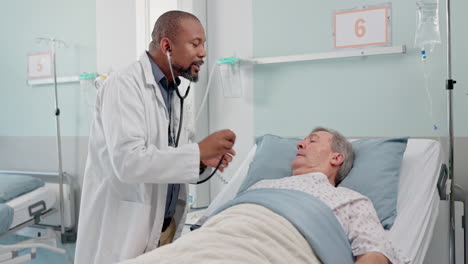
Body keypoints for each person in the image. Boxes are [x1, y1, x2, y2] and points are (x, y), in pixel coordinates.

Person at [75, 10, 236, 264]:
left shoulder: (172, 92)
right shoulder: (124, 85)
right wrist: (197, 152)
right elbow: (128, 162)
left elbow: (164, 156)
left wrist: (201, 162)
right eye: (195, 44)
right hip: (124, 229)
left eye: (203, 44)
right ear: (167, 46)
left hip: (164, 227)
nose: (203, 53)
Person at [119, 127, 409, 264]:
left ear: (336, 158)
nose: (301, 142)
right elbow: (214, 228)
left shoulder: (350, 199)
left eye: (313, 140)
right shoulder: (261, 187)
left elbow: (375, 253)